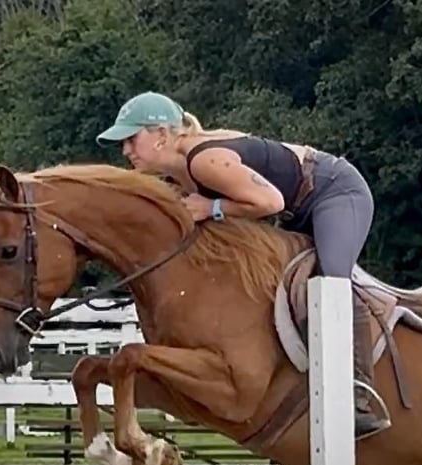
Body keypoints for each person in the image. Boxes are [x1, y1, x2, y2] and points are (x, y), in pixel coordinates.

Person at [96, 91, 389, 440]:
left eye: (131, 139)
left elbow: (269, 201)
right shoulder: (176, 178)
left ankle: (358, 397)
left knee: (330, 282)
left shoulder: (202, 162)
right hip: (296, 208)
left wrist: (211, 209)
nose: (125, 151)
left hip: (334, 193)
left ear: (161, 134)